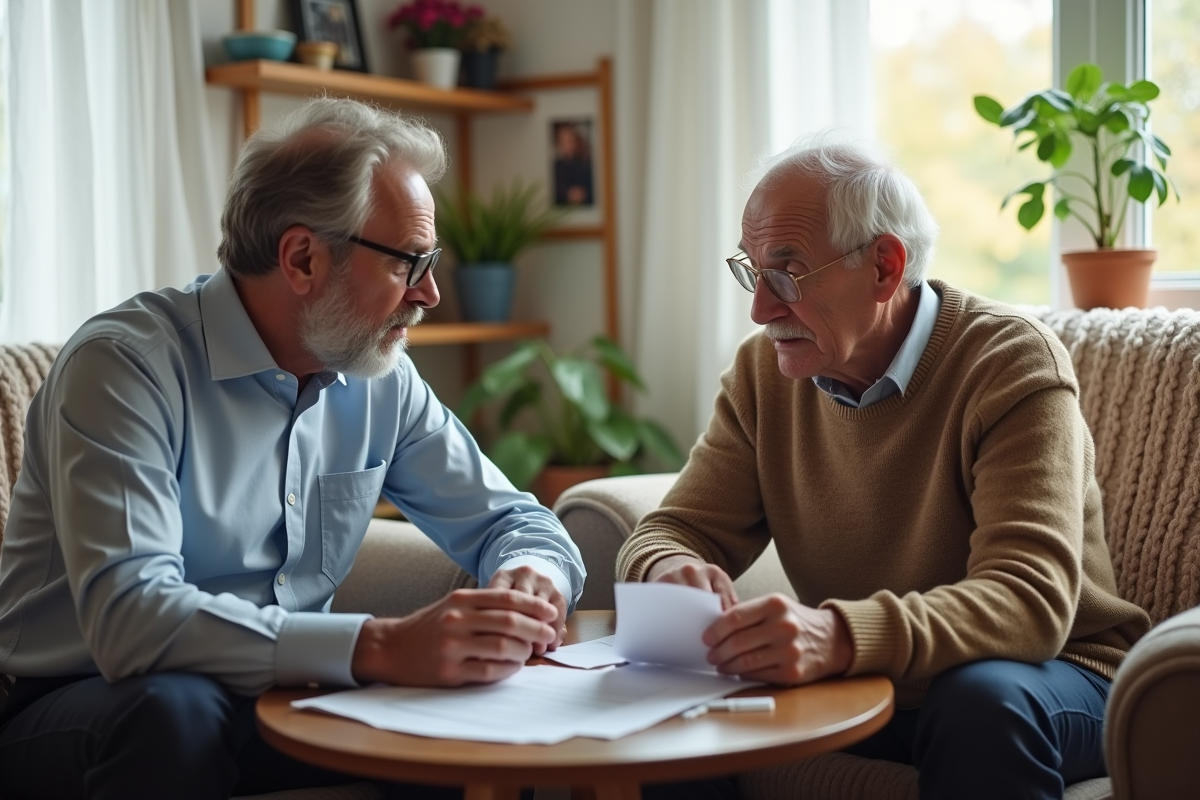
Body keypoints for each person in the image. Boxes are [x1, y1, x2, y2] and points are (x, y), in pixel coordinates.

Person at [0, 98, 585, 800]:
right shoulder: (124, 367)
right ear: (303, 257)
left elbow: (513, 522)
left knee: (456, 728)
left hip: (282, 692)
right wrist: (379, 647)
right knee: (175, 712)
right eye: (409, 262)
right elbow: (132, 619)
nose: (430, 293)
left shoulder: (380, 377)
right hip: (86, 697)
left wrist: (529, 580)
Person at [616, 139, 1151, 800]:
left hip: (1060, 672)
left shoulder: (1008, 362)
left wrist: (838, 636)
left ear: (884, 267)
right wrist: (670, 569)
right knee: (671, 712)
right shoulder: (765, 373)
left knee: (979, 699)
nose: (760, 308)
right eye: (750, 272)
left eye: (786, 273)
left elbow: (1028, 602)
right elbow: (669, 530)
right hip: (876, 679)